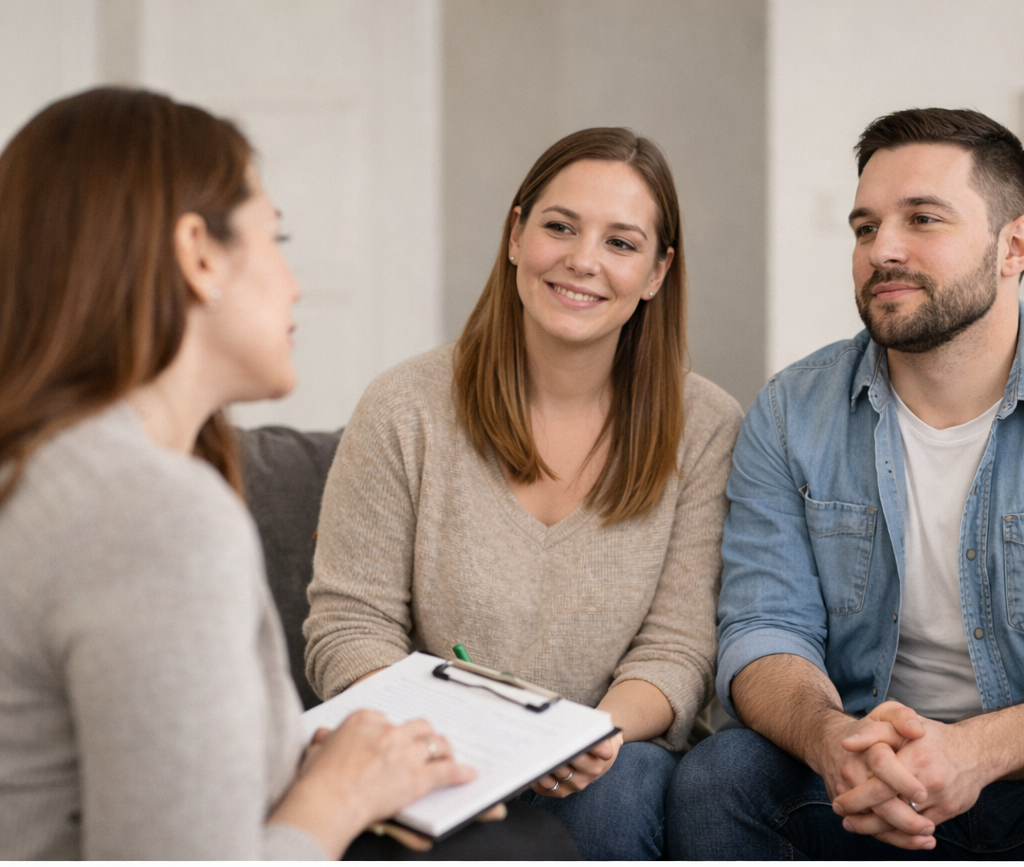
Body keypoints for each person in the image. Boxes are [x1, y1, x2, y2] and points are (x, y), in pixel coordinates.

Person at [0, 87, 575, 860]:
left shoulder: (50, 470)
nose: (294, 282)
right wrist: (337, 795)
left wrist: (316, 762)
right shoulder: (151, 513)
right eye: (278, 238)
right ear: (199, 254)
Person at [304, 127, 743, 860]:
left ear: (658, 272)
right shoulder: (403, 407)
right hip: (432, 748)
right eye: (560, 226)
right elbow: (349, 626)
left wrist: (590, 731)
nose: (582, 260)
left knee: (623, 786)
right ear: (516, 235)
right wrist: (462, 737)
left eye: (621, 243)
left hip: (608, 757)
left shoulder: (706, 427)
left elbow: (680, 649)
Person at [668, 107, 1024, 859]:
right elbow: (764, 628)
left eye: (922, 219)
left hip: (1014, 761)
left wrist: (976, 751)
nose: (883, 250)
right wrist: (836, 740)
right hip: (861, 768)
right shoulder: (794, 411)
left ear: (1013, 247)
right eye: (865, 228)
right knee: (720, 776)